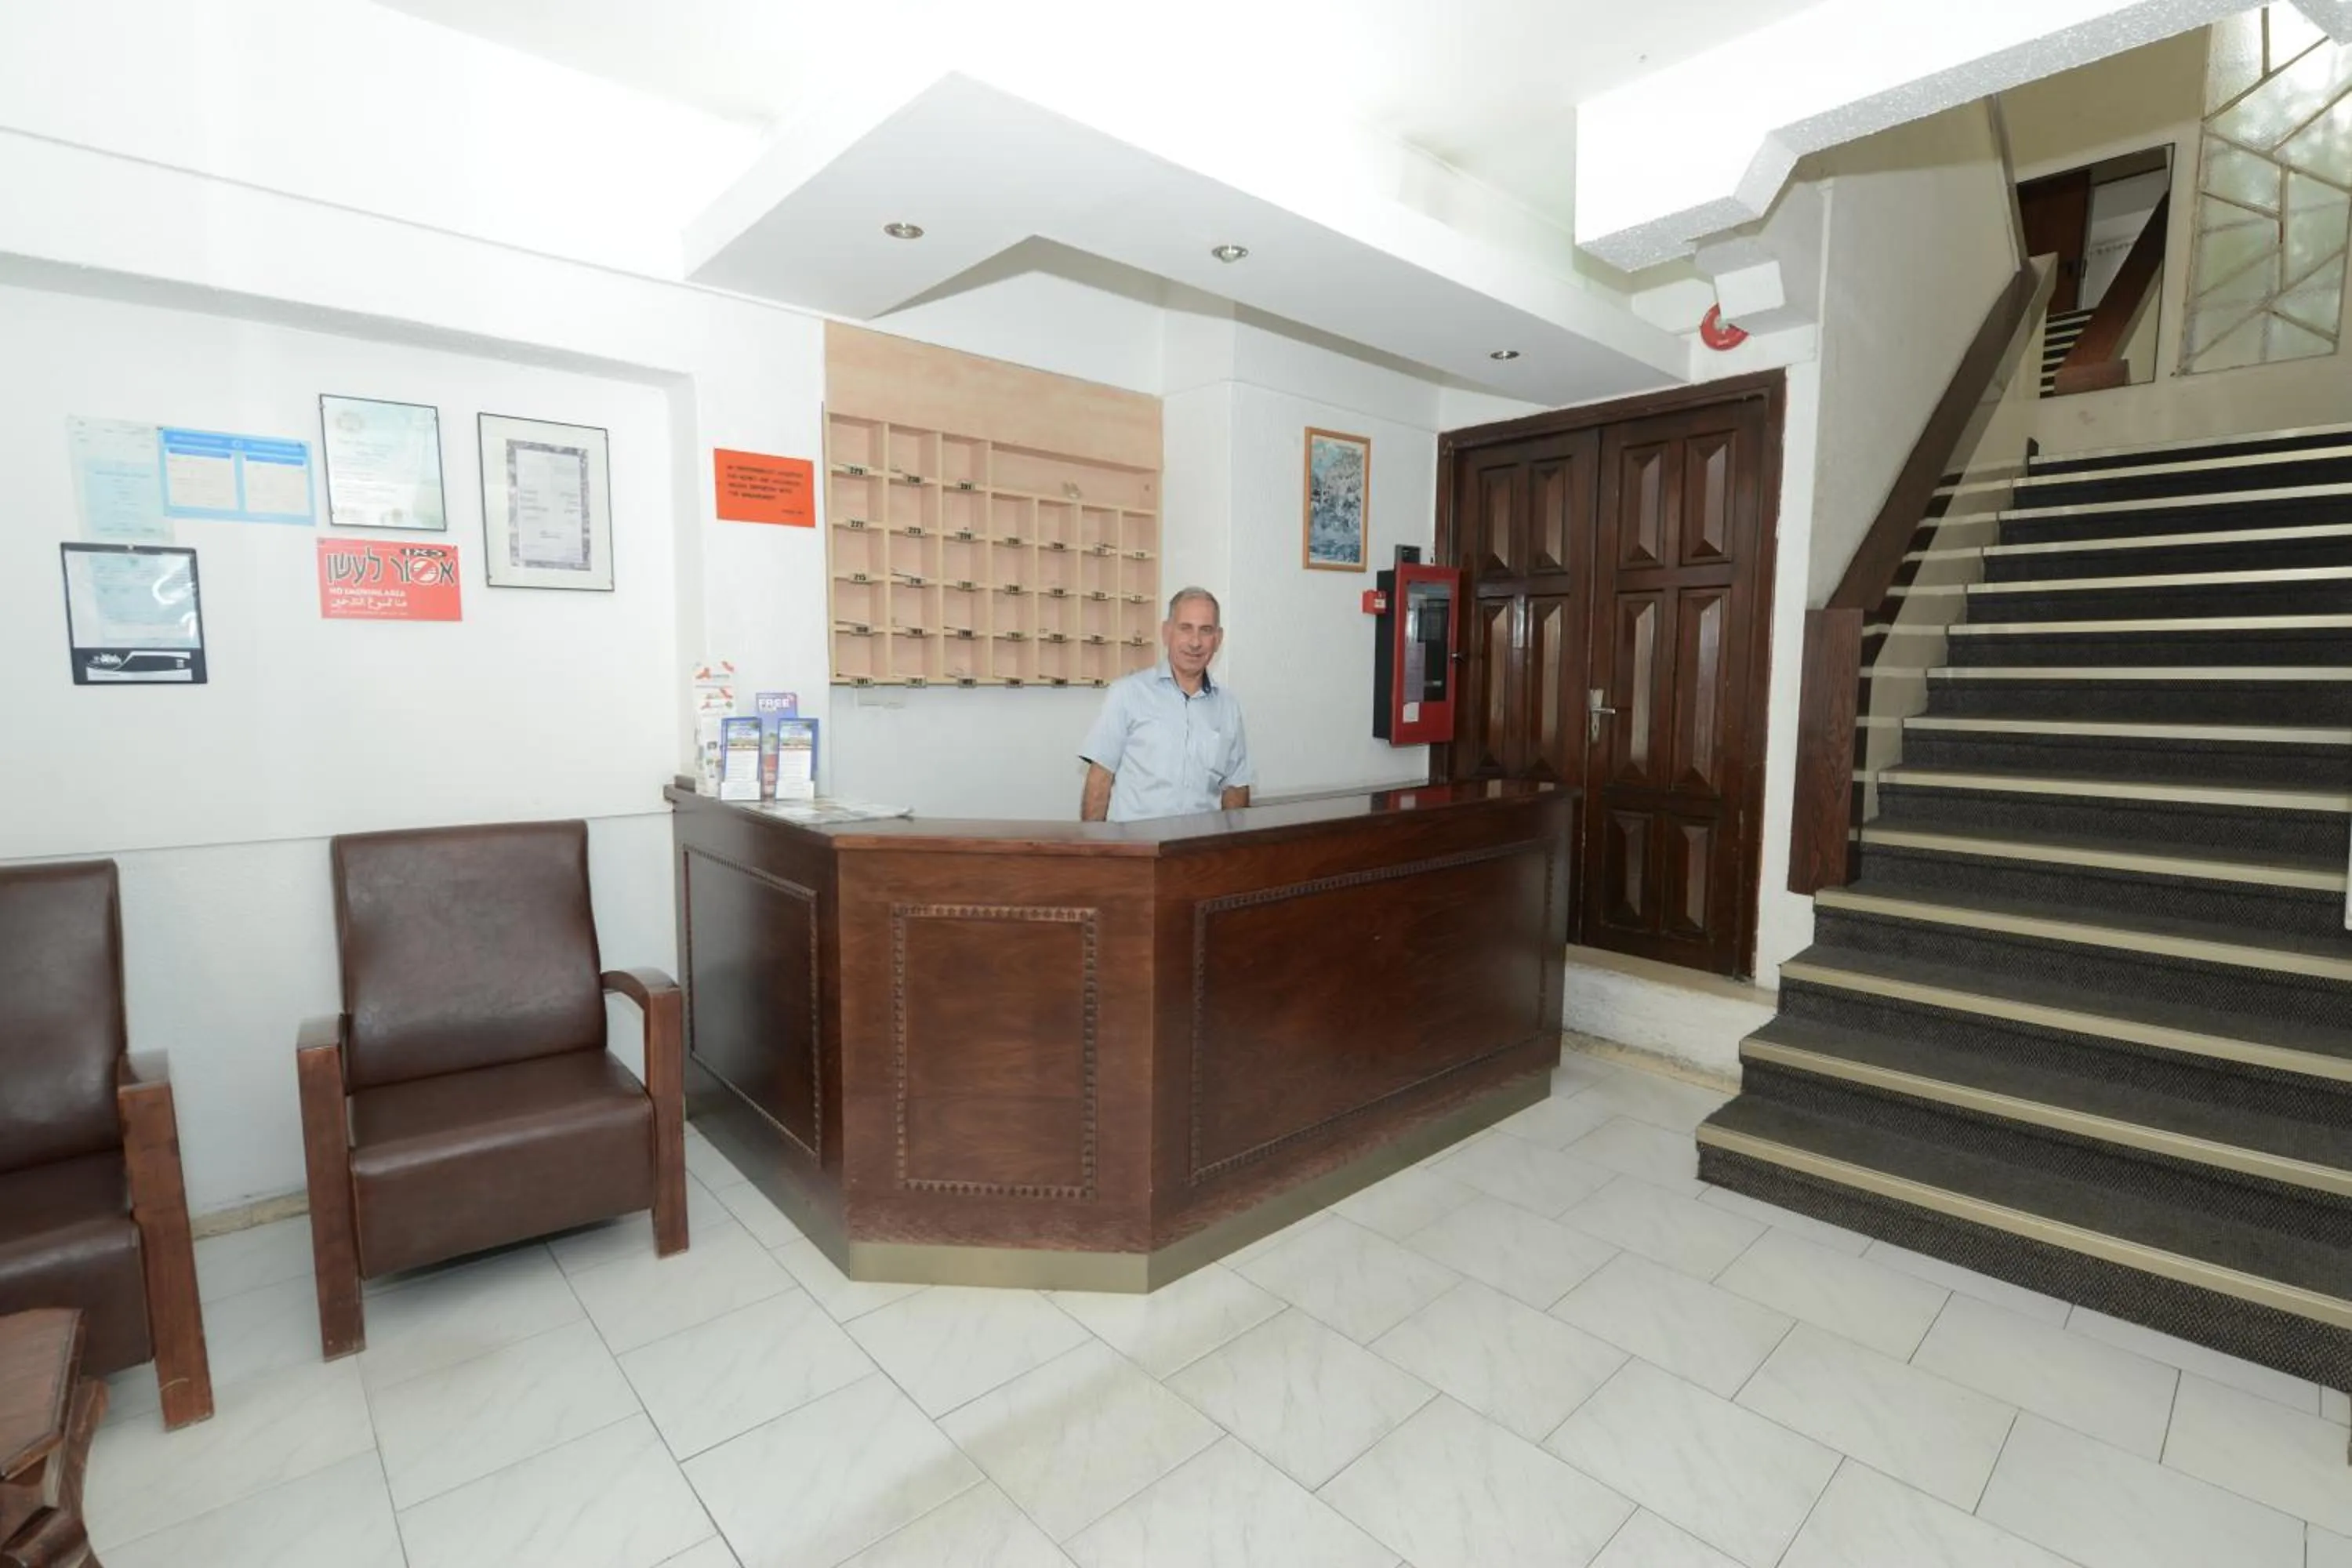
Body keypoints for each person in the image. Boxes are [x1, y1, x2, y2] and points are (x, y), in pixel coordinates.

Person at [1079, 586, 1254, 822]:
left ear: (1218, 639)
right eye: (1185, 628)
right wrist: (1094, 852)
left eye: (1205, 630)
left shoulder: (1228, 707)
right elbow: (1100, 779)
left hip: (1199, 851)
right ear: (1166, 632)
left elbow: (1235, 787)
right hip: (1137, 849)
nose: (1195, 642)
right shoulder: (1127, 694)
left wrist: (1232, 852)